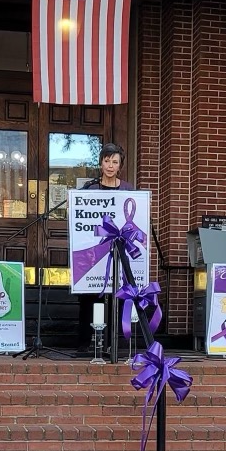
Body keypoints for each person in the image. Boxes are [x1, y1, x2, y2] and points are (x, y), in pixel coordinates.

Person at [77, 143, 135, 350]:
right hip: (93, 252)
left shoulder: (128, 189)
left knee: (118, 297)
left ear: (120, 166)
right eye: (107, 160)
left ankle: (113, 344)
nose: (110, 165)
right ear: (101, 162)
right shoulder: (90, 189)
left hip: (119, 251)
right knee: (88, 296)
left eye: (115, 162)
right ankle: (84, 343)